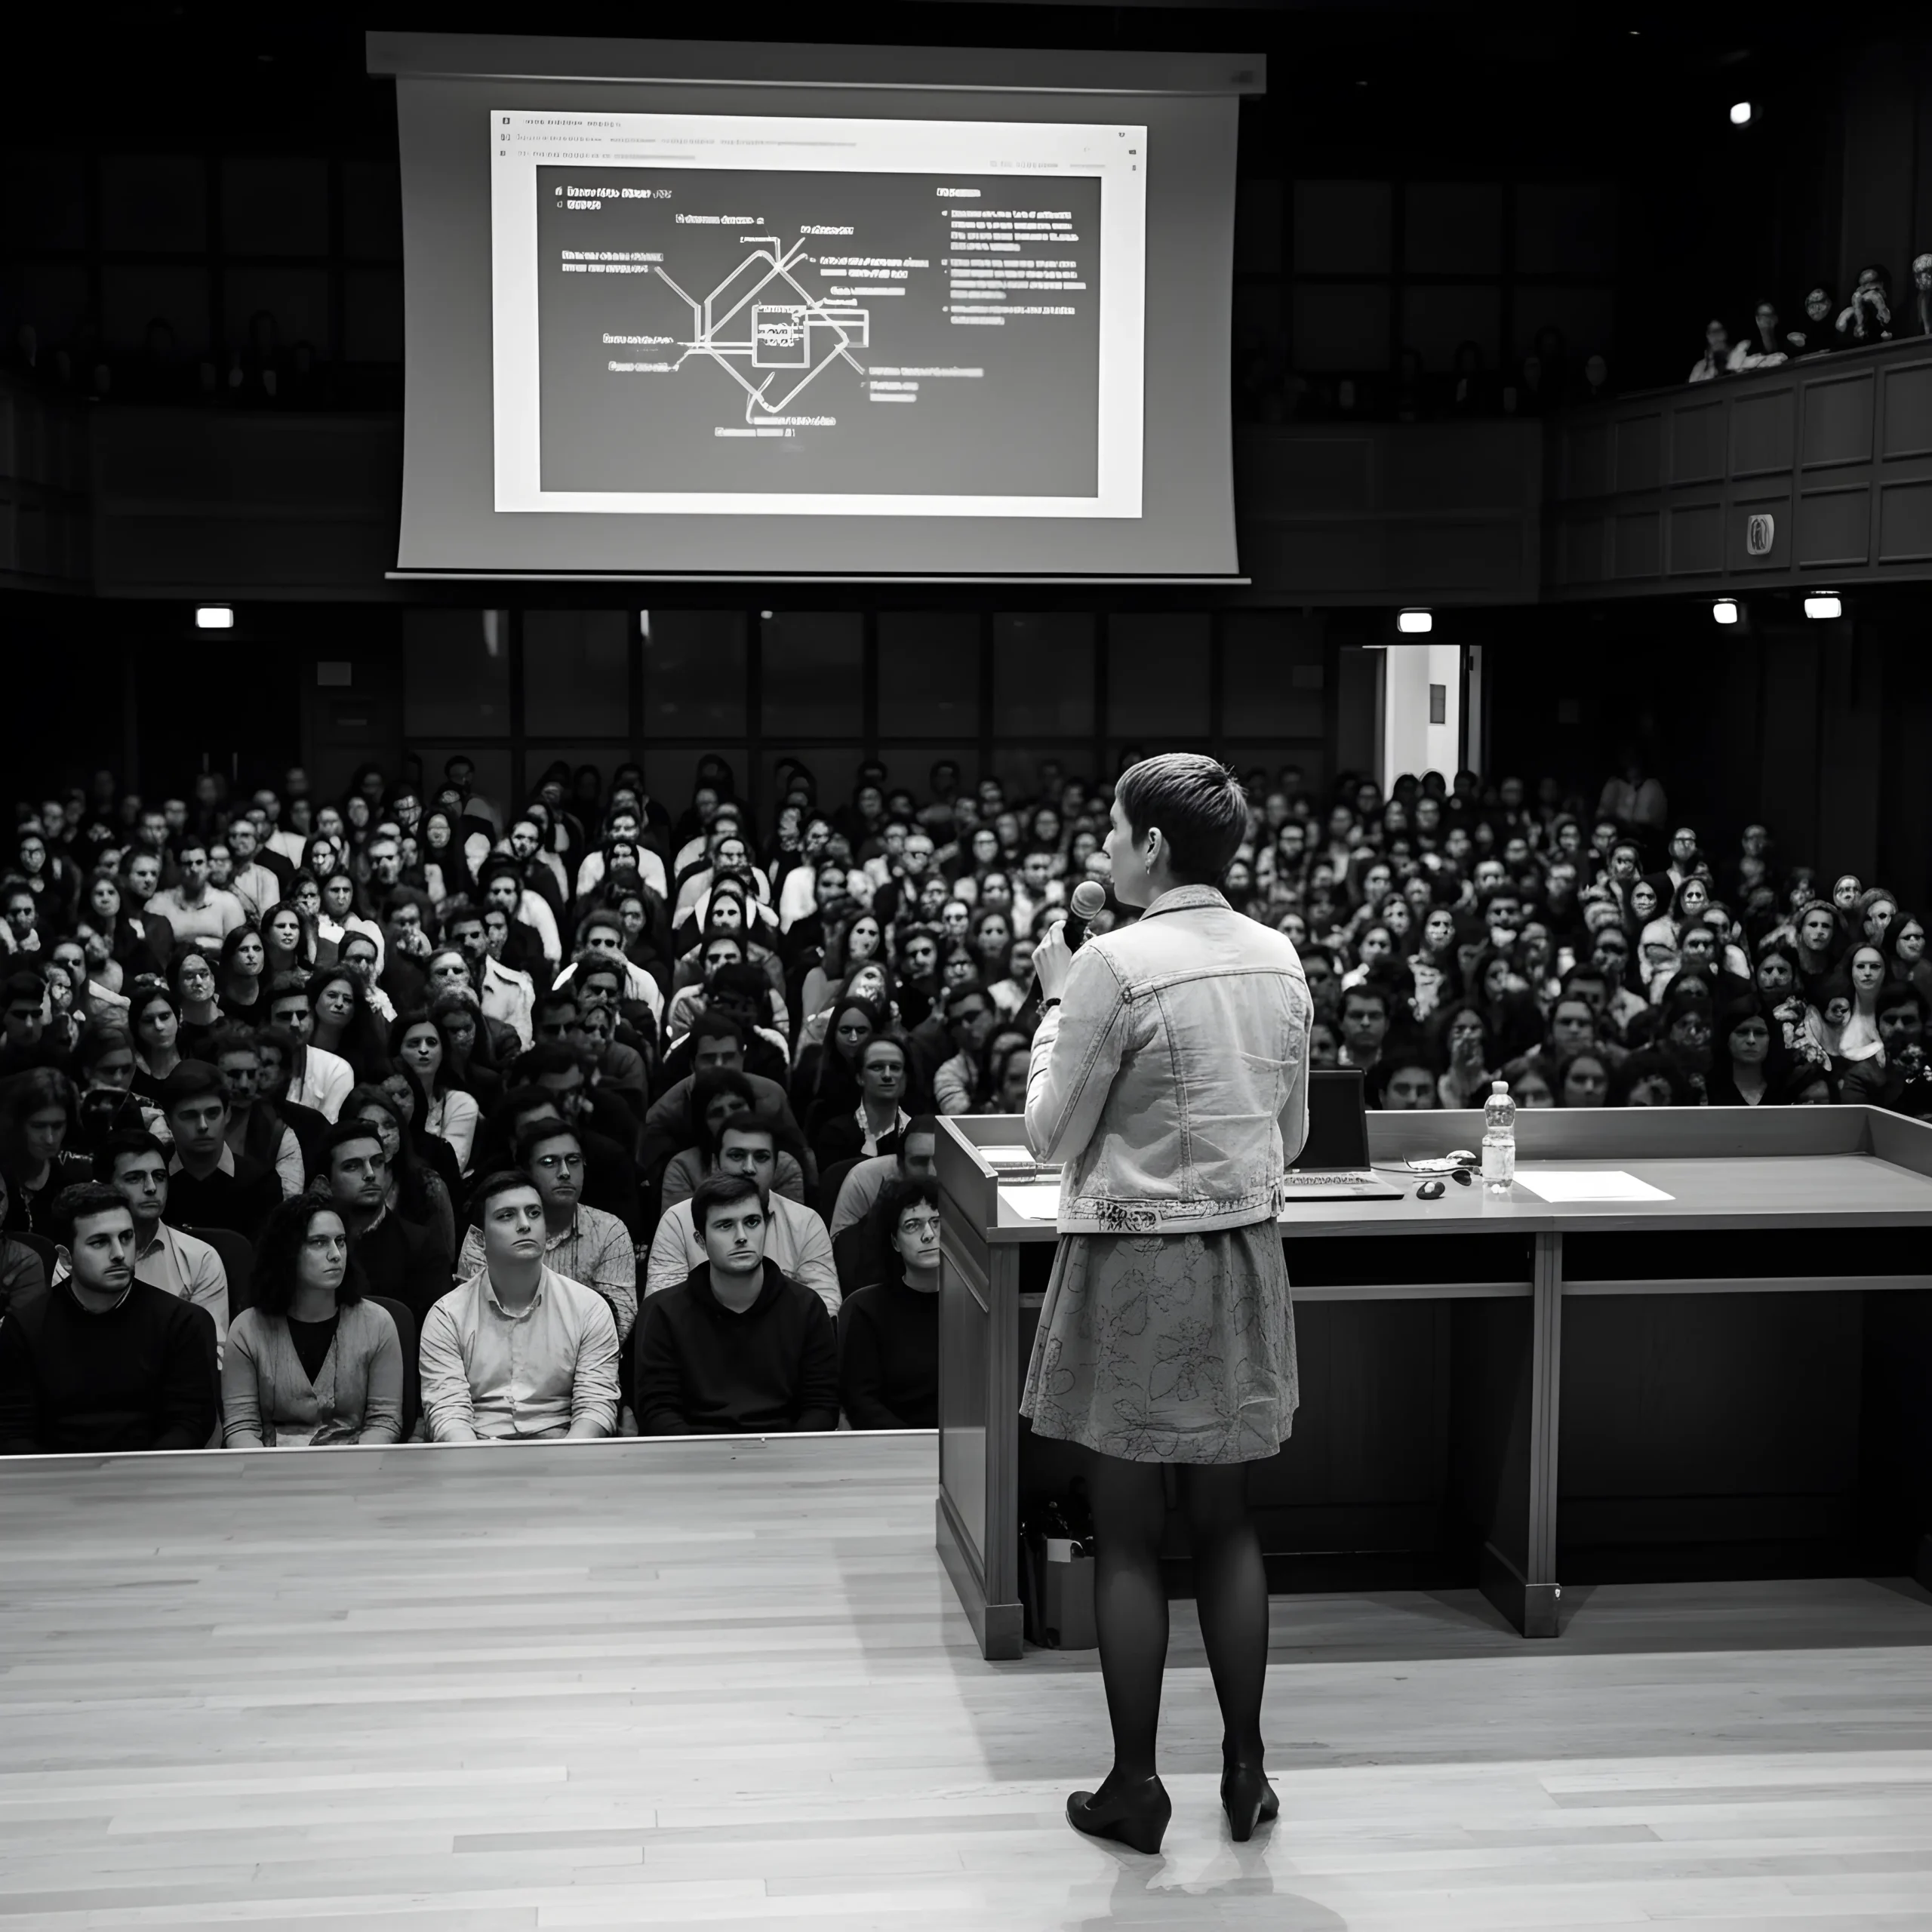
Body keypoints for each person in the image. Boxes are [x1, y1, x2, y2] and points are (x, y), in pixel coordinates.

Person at [1021, 752, 1309, 1854]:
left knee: (1132, 1535)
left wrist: (1057, 999)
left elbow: (1052, 1131)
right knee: (1228, 1523)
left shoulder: (1115, 964)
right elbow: (1292, 1137)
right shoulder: (1279, 956)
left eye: (1111, 833)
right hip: (1241, 1257)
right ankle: (1248, 1775)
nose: (1102, 850)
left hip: (1136, 1263)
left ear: (1153, 848)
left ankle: (1137, 1790)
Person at [0, 1183, 218, 1454]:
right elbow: (13, 1431)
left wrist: (136, 1479)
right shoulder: (24, 1327)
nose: (118, 1253)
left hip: (154, 1480)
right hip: (56, 1483)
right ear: (66, 1258)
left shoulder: (183, 1322)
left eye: (126, 1237)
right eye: (100, 1242)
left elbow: (191, 1423)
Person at [631, 1171, 839, 1435]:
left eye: (752, 1222)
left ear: (767, 1226)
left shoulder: (807, 1306)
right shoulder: (663, 1312)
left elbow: (821, 1408)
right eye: (725, 1225)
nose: (742, 1236)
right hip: (693, 1461)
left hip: (786, 1458)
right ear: (700, 1240)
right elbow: (657, 1412)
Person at [419, 1170, 621, 1442]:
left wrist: (566, 1464)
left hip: (565, 1452)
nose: (525, 1225)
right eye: (506, 1216)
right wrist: (476, 1471)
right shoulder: (447, 1316)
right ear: (480, 1239)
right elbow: (447, 1413)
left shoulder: (589, 1309)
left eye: (534, 1213)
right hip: (476, 1454)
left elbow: (595, 1406)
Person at [220, 1195, 405, 1447]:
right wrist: (264, 1478)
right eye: (319, 1243)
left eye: (340, 1242)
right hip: (269, 1469)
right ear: (288, 1251)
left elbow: (384, 1422)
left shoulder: (377, 1324)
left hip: (355, 1469)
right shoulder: (247, 1330)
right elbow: (241, 1427)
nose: (336, 1255)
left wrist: (356, 1475)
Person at [453, 1120, 637, 1344]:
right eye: (549, 1163)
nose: (565, 1173)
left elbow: (619, 1324)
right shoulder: (488, 1228)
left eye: (574, 1161)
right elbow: (470, 1317)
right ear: (524, 1172)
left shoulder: (609, 1231)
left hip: (586, 1365)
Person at [645, 1115, 839, 1315]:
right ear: (716, 1163)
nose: (749, 1168)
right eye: (737, 1156)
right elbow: (661, 1308)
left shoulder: (806, 1222)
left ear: (776, 1166)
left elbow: (826, 1309)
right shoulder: (678, 1220)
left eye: (761, 1157)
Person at [92, 1129, 230, 1352]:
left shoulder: (200, 1259)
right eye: (134, 1178)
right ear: (102, 1187)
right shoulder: (77, 1258)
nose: (151, 1188)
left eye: (159, 1176)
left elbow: (212, 1356)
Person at [837, 1177, 941, 1428]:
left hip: (971, 1448)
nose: (929, 1235)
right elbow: (862, 1402)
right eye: (913, 1225)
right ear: (895, 1241)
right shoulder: (869, 1310)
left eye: (937, 1223)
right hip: (897, 1449)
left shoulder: (978, 1303)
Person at [156, 1060, 282, 1241]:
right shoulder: (155, 1179)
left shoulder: (261, 1183)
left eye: (213, 1113)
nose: (203, 1126)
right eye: (189, 1116)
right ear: (168, 1121)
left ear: (227, 1114)